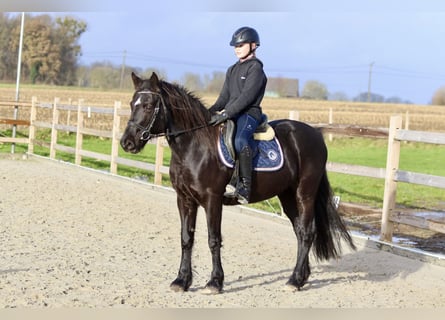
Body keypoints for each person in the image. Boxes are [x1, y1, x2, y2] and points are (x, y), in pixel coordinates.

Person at [208, 26, 268, 204]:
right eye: (235, 46)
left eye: (241, 45)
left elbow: (246, 98)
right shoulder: (232, 70)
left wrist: (226, 113)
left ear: (253, 45)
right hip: (233, 114)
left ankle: (244, 186)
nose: (237, 49)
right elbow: (224, 97)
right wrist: (209, 111)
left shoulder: (255, 69)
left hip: (249, 113)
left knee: (240, 141)